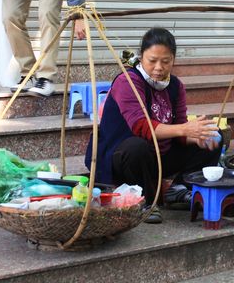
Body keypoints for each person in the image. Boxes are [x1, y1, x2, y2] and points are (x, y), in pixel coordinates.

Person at [85, 27, 222, 224]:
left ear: (173, 60)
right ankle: (145, 201)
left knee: (212, 138)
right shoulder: (128, 81)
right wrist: (185, 129)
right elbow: (142, 126)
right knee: (137, 146)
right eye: (152, 61)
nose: (159, 67)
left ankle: (177, 190)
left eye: (165, 62)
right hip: (122, 157)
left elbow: (178, 130)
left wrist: (197, 135)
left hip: (159, 156)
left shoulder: (175, 86)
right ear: (141, 58)